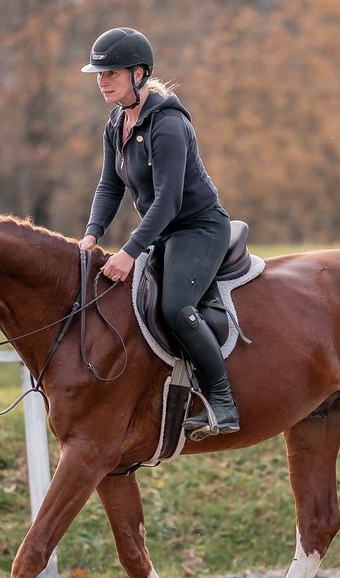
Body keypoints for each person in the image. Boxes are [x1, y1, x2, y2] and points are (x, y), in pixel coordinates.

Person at [78, 26, 239, 440]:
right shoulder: (116, 122)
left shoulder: (167, 124)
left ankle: (222, 402)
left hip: (197, 228)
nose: (102, 80)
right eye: (99, 73)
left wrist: (130, 250)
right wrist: (92, 235)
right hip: (163, 231)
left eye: (111, 72)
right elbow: (108, 186)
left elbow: (167, 201)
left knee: (175, 308)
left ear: (139, 74)